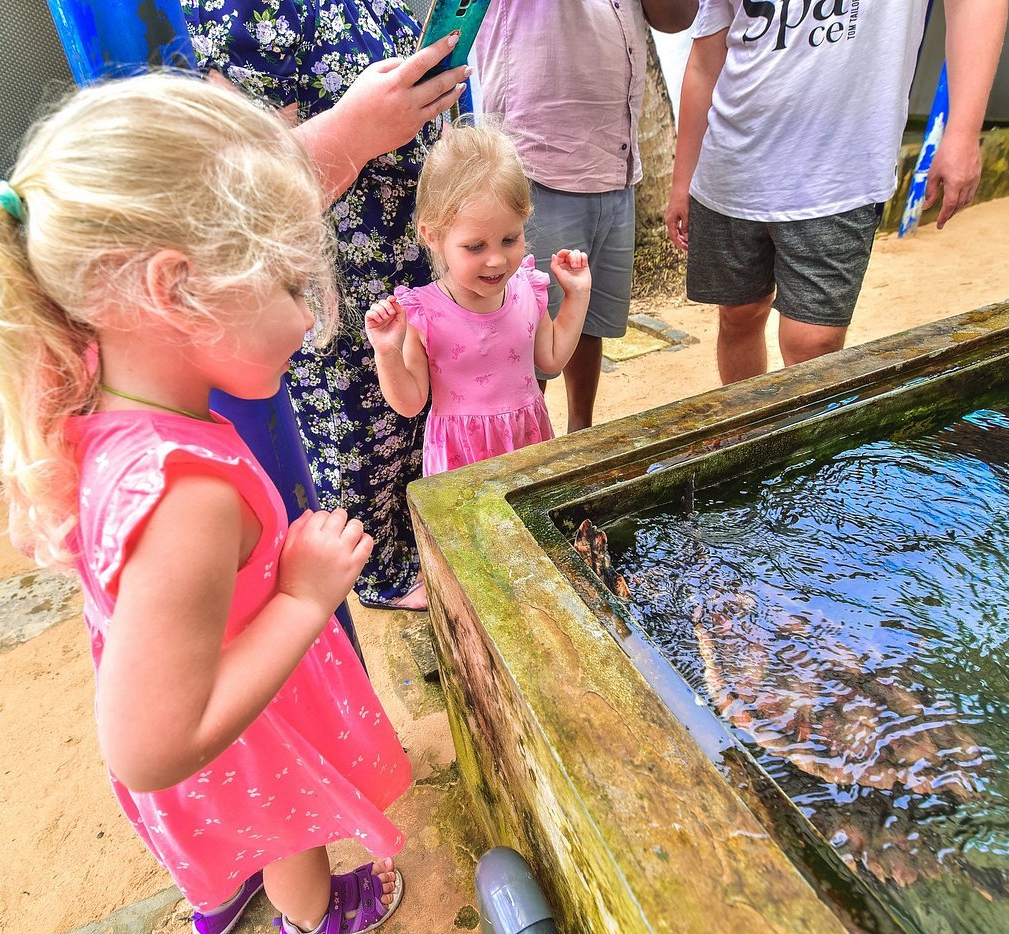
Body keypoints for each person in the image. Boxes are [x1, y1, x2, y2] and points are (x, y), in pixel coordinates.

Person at [0, 74, 411, 934]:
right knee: (289, 828)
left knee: (257, 827)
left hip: (220, 711)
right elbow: (152, 746)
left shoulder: (100, 412)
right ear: (176, 288)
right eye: (287, 287)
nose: (308, 322)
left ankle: (227, 888)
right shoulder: (186, 493)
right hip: (236, 739)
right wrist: (306, 597)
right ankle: (313, 921)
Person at [186, 1, 471, 611]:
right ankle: (381, 572)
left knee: (420, 417)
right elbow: (241, 195)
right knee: (362, 443)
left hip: (416, 264)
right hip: (336, 282)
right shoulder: (244, 10)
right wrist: (354, 130)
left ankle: (414, 546)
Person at [665, 0, 1006, 385]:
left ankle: (804, 444)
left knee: (814, 342)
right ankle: (748, 435)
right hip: (731, 162)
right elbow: (705, 60)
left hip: (840, 169)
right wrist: (683, 182)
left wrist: (962, 131)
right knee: (738, 315)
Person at [473, 0, 699, 433]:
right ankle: (519, 460)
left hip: (612, 166)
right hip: (537, 164)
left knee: (586, 320)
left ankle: (581, 437)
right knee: (525, 334)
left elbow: (676, 18)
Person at [364, 123, 593, 475]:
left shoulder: (526, 289)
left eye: (509, 239)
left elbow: (550, 358)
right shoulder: (423, 313)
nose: (497, 260)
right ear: (433, 236)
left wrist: (577, 294)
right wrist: (386, 352)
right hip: (460, 461)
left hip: (526, 444)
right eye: (475, 247)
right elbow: (410, 403)